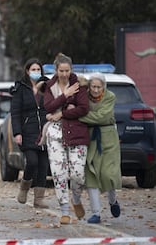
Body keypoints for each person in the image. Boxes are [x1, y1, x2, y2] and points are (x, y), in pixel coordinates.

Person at [42, 53, 89, 224]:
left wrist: (62, 113)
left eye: (67, 70)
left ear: (71, 69)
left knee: (77, 174)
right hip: (55, 133)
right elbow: (47, 106)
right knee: (58, 173)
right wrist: (65, 96)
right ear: (56, 70)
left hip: (77, 132)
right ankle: (64, 209)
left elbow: (83, 109)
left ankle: (76, 199)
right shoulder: (49, 86)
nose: (64, 74)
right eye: (61, 70)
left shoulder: (79, 85)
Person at [78, 73, 122, 224]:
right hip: (90, 137)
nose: (96, 90)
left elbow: (102, 117)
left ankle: (113, 201)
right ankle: (96, 213)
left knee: (107, 174)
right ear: (89, 87)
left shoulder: (110, 96)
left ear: (103, 86)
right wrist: (82, 113)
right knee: (91, 174)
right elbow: (83, 110)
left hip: (109, 137)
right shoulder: (85, 97)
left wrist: (79, 116)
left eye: (98, 87)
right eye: (93, 87)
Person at [10, 58, 49, 208]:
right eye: (33, 70)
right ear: (27, 71)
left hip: (45, 131)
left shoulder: (47, 86)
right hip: (28, 131)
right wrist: (17, 132)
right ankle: (24, 187)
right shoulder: (20, 88)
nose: (36, 72)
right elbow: (15, 112)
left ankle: (39, 199)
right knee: (32, 162)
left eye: (38, 70)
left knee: (43, 165)